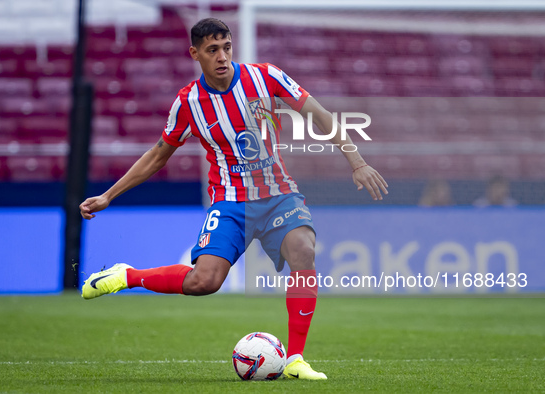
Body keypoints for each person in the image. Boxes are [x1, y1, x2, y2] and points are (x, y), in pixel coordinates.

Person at [80, 18, 388, 380]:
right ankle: (126, 275)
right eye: (212, 50)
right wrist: (108, 195)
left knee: (303, 249)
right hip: (230, 203)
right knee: (203, 282)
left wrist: (357, 162)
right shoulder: (188, 102)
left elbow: (318, 115)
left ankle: (296, 359)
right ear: (195, 54)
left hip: (278, 195)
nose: (222, 56)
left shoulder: (265, 77)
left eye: (226, 47)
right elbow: (158, 155)